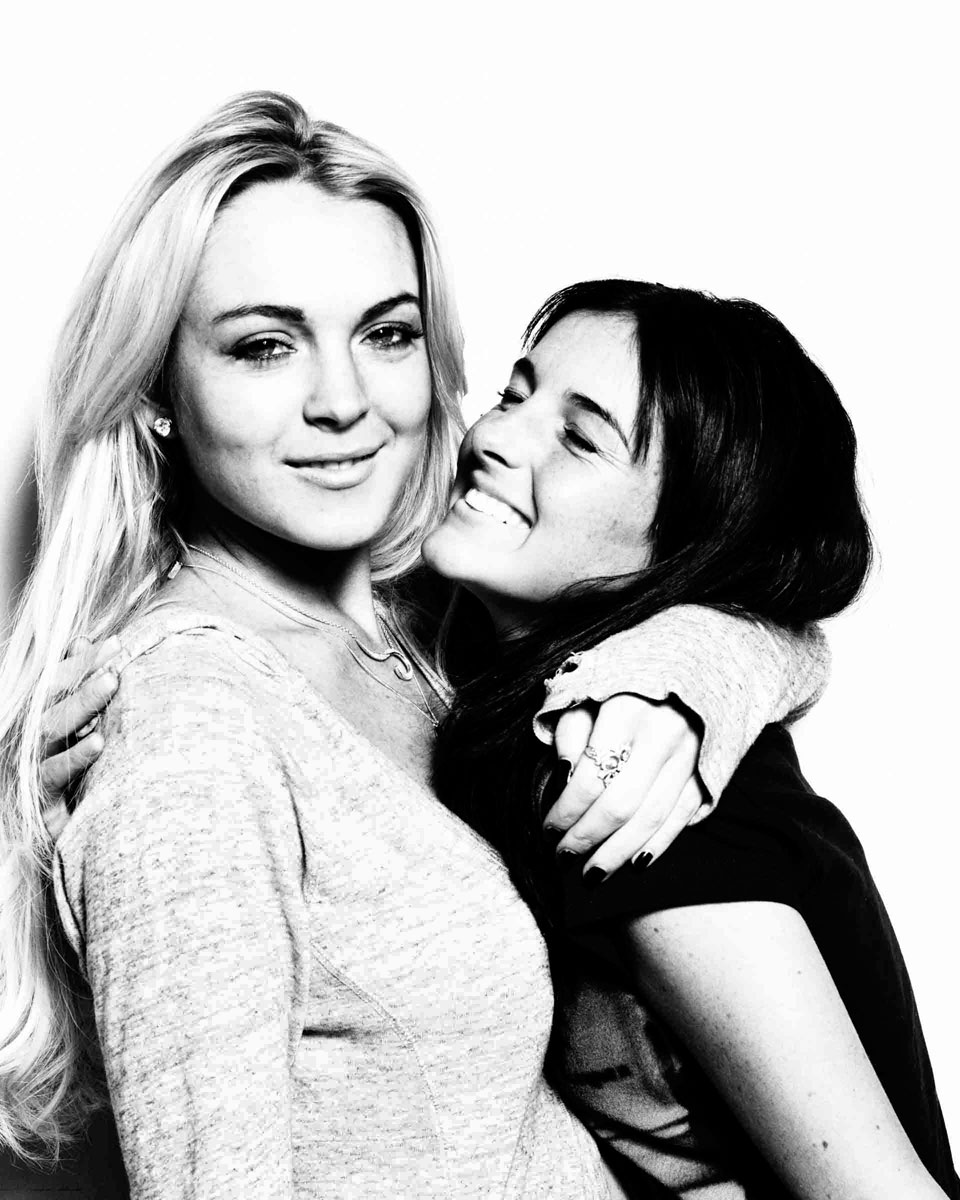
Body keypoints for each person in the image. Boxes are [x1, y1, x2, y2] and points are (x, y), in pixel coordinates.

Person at [0, 94, 825, 1198]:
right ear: (156, 390)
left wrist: (685, 691)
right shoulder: (189, 727)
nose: (343, 402)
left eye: (386, 334)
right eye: (264, 347)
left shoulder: (439, 627)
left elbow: (780, 621)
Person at [426, 280, 960, 1200]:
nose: (496, 439)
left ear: (684, 545)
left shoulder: (643, 795)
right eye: (514, 395)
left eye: (580, 438)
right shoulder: (518, 705)